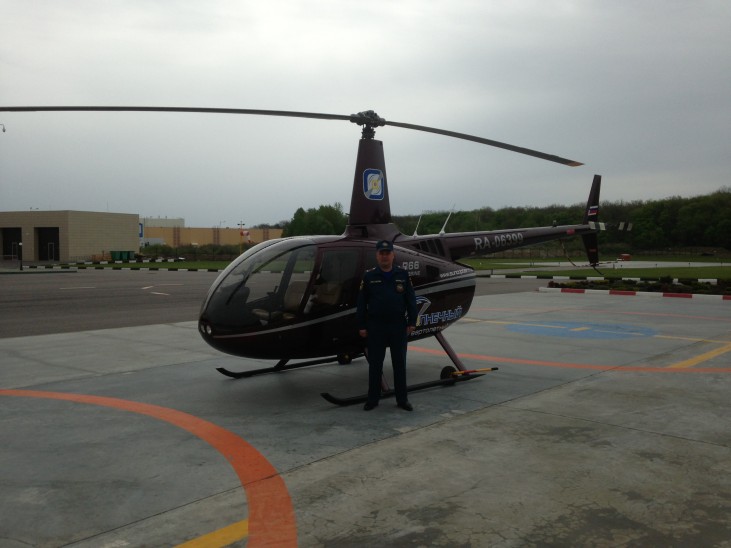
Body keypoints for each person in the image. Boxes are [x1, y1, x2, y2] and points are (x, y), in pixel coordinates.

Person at [356, 240, 418, 411]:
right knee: (375, 365)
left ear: (393, 255)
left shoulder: (403, 275)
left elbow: (411, 300)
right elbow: (361, 303)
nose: (384, 256)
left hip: (398, 326)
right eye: (381, 253)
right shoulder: (369, 276)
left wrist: (412, 321)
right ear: (377, 256)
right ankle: (373, 399)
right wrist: (361, 325)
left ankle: (402, 399)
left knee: (399, 364)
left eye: (387, 253)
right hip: (376, 326)